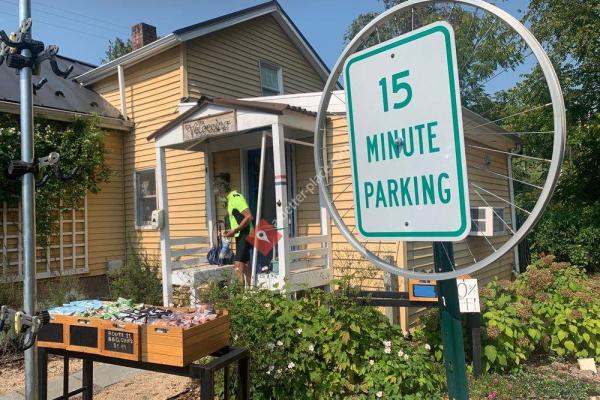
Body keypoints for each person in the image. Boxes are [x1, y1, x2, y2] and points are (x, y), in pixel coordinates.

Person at [214, 176, 254, 285]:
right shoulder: (231, 200)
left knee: (237, 267)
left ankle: (239, 298)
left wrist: (235, 230)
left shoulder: (236, 198)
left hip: (246, 235)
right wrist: (232, 230)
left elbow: (249, 216)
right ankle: (252, 290)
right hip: (241, 235)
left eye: (218, 195)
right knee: (244, 266)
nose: (218, 198)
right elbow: (238, 218)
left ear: (221, 192)